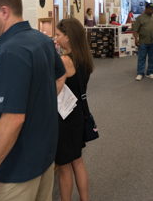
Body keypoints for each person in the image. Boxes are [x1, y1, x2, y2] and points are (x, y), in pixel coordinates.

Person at [0, 0, 65, 201]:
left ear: (4, 12)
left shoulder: (13, 52)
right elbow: (60, 77)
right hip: (43, 157)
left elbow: (13, 119)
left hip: (16, 169)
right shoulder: (41, 40)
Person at [54, 18, 94, 201]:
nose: (55, 39)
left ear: (68, 37)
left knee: (63, 166)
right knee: (77, 161)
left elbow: (53, 90)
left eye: (58, 35)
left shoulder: (64, 60)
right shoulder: (83, 57)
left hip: (64, 118)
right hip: (78, 113)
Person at [132, 3, 153, 81]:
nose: (152, 10)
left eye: (152, 8)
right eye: (150, 8)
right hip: (143, 42)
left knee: (152, 58)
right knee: (142, 58)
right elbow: (135, 30)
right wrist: (136, 39)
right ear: (146, 8)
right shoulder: (140, 18)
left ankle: (150, 72)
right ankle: (140, 73)